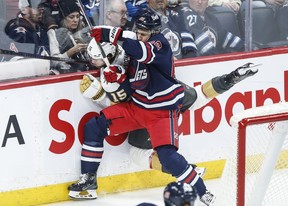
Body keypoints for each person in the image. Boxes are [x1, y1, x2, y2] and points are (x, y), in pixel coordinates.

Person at [68, 9, 259, 205]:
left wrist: (111, 35)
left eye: (144, 33)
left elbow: (142, 52)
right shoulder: (133, 48)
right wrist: (118, 78)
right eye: (138, 32)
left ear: (154, 32)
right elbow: (134, 86)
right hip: (138, 108)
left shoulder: (159, 44)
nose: (140, 36)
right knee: (94, 126)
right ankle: (88, 181)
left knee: (167, 154)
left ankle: (202, 191)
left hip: (161, 111)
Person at [175, 0, 245, 56]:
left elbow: (225, 37)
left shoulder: (210, 17)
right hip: (197, 67)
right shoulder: (186, 16)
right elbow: (206, 50)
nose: (199, 2)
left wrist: (247, 48)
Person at [52, 0, 91, 73]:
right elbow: (54, 62)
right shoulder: (59, 34)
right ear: (64, 18)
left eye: (77, 16)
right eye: (71, 17)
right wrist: (72, 51)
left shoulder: (82, 33)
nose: (75, 20)